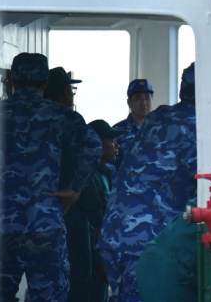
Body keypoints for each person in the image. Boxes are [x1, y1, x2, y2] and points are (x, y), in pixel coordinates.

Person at [0, 52, 102, 302]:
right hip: (45, 222)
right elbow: (93, 145)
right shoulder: (59, 115)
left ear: (12, 81)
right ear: (44, 83)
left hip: (0, 223)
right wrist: (75, 189)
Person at [99, 63, 197, 302]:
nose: (144, 102)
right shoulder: (192, 126)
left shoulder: (157, 120)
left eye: (147, 97)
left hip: (116, 233)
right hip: (143, 239)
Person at [43, 67, 104, 302]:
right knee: (78, 278)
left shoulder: (18, 118)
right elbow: (83, 167)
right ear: (63, 94)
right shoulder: (68, 122)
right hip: (69, 211)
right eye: (70, 90)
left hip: (23, 214)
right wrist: (97, 218)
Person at [72, 120, 124, 302]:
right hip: (89, 259)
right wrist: (101, 262)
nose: (116, 145)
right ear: (97, 143)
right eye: (111, 140)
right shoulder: (87, 177)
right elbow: (95, 225)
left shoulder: (106, 173)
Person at [113, 78, 153, 155]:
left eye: (147, 97)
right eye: (138, 98)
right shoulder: (117, 132)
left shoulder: (160, 128)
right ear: (129, 103)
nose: (144, 102)